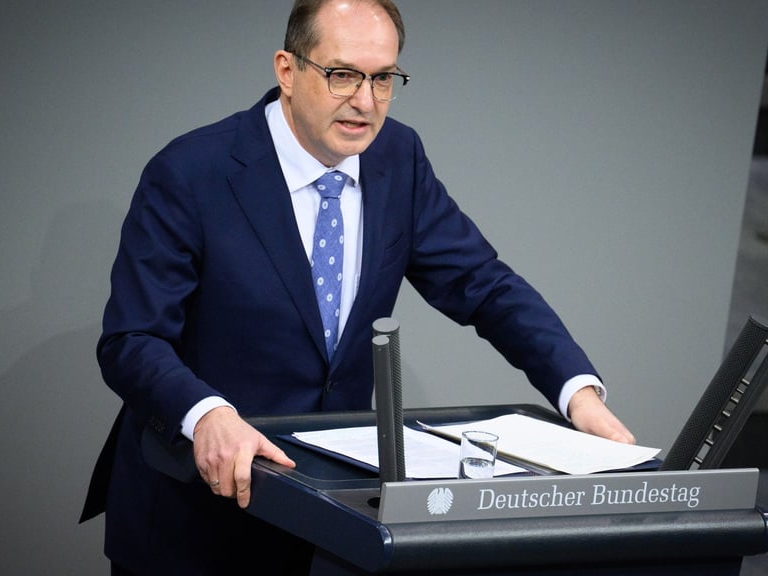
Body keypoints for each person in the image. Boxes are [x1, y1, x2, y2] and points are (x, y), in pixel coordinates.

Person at [81, 0, 636, 574]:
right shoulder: (192, 171)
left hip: (329, 520)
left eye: (383, 78)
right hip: (196, 518)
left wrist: (577, 393)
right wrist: (207, 415)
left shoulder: (398, 158)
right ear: (287, 70)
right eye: (343, 75)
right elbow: (132, 339)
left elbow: (483, 284)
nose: (366, 102)